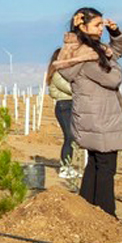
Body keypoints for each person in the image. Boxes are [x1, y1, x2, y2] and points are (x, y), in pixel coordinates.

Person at [54, 8, 122, 217]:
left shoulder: (82, 51)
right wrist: (116, 67)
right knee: (106, 168)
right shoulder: (86, 56)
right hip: (101, 117)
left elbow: (115, 52)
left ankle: (87, 212)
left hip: (91, 116)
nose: (101, 30)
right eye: (97, 26)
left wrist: (116, 34)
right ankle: (106, 215)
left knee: (95, 163)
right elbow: (112, 77)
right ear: (83, 27)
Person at [46, 49, 78, 179]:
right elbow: (71, 88)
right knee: (69, 137)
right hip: (64, 107)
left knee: (72, 138)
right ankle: (65, 168)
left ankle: (68, 166)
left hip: (69, 105)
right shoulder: (58, 74)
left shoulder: (63, 73)